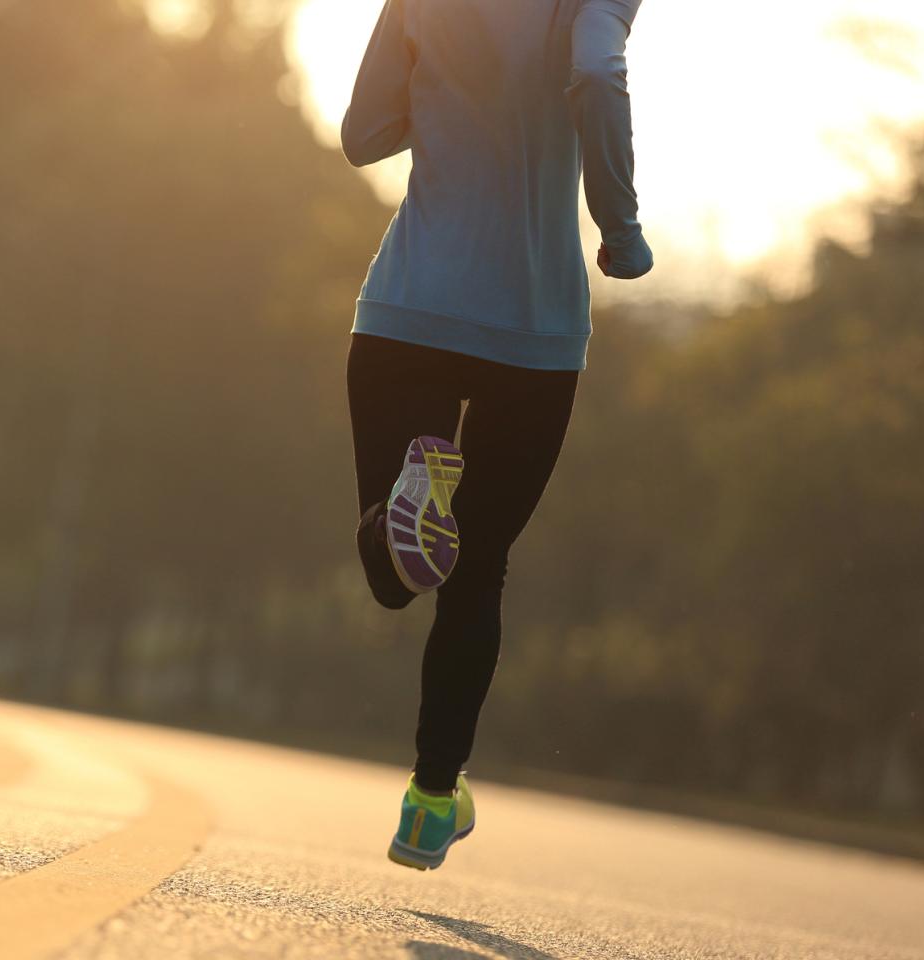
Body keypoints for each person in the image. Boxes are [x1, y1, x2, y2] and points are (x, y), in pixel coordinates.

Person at [341, 0, 652, 871]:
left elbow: (363, 133)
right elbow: (595, 75)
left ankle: (403, 506)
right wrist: (619, 227)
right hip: (534, 333)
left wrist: (455, 105)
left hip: (408, 309)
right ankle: (431, 801)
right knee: (476, 569)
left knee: (398, 573)